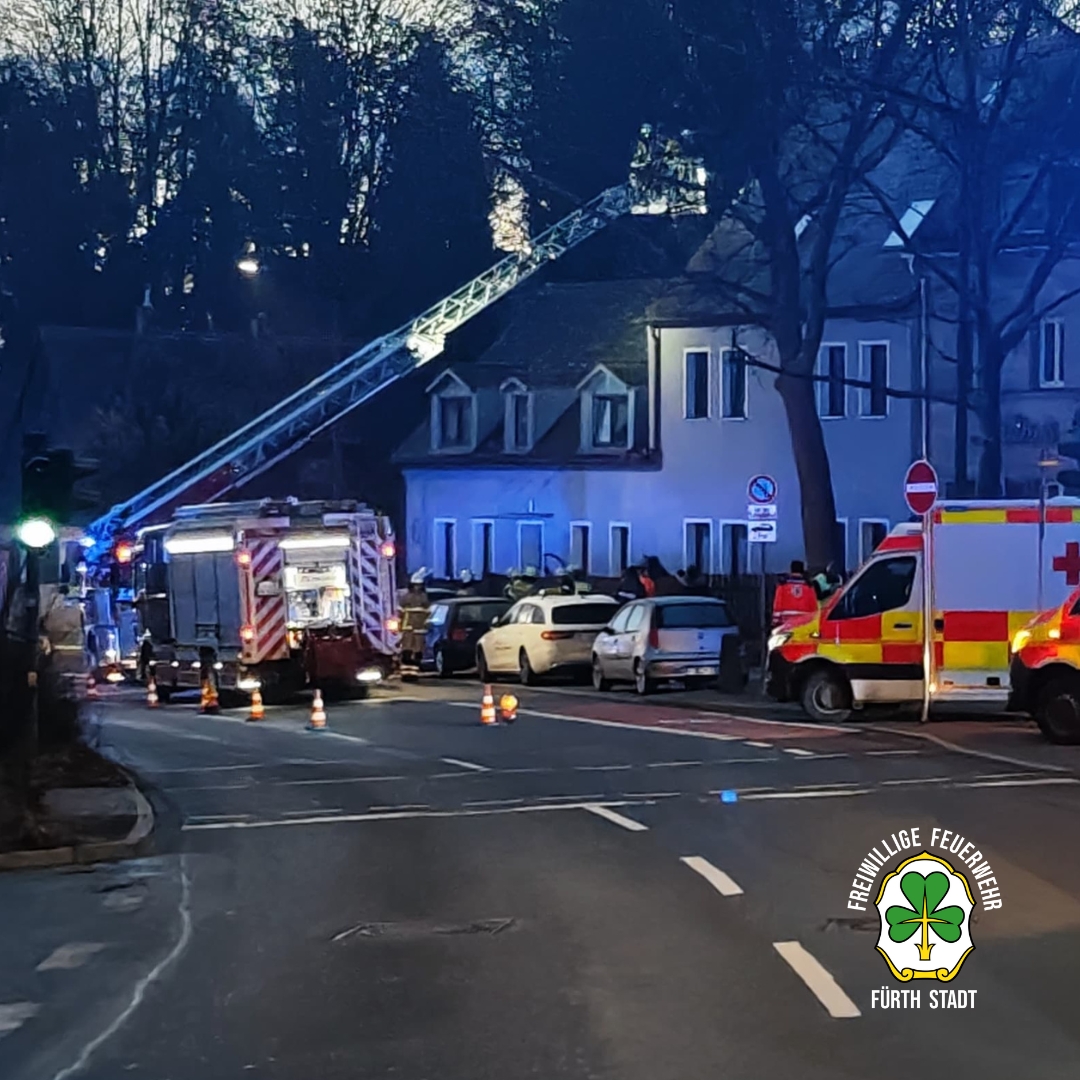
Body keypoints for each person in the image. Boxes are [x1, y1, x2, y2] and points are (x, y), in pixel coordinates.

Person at [772, 560, 818, 626]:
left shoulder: (783, 585)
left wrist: (775, 621)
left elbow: (778, 604)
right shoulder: (808, 586)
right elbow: (813, 606)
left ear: (791, 570)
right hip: (804, 622)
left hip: (786, 621)